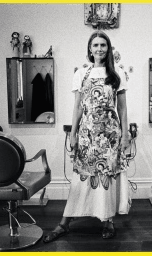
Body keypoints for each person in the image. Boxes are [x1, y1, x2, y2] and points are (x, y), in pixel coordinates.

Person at [44, 31, 131, 242]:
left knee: (107, 176)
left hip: (110, 136)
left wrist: (125, 135)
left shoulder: (117, 72)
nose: (99, 49)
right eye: (95, 45)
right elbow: (77, 108)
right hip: (87, 136)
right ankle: (65, 222)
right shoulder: (81, 74)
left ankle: (108, 220)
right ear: (89, 49)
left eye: (103, 45)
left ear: (108, 49)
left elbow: (123, 109)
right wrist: (73, 134)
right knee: (81, 178)